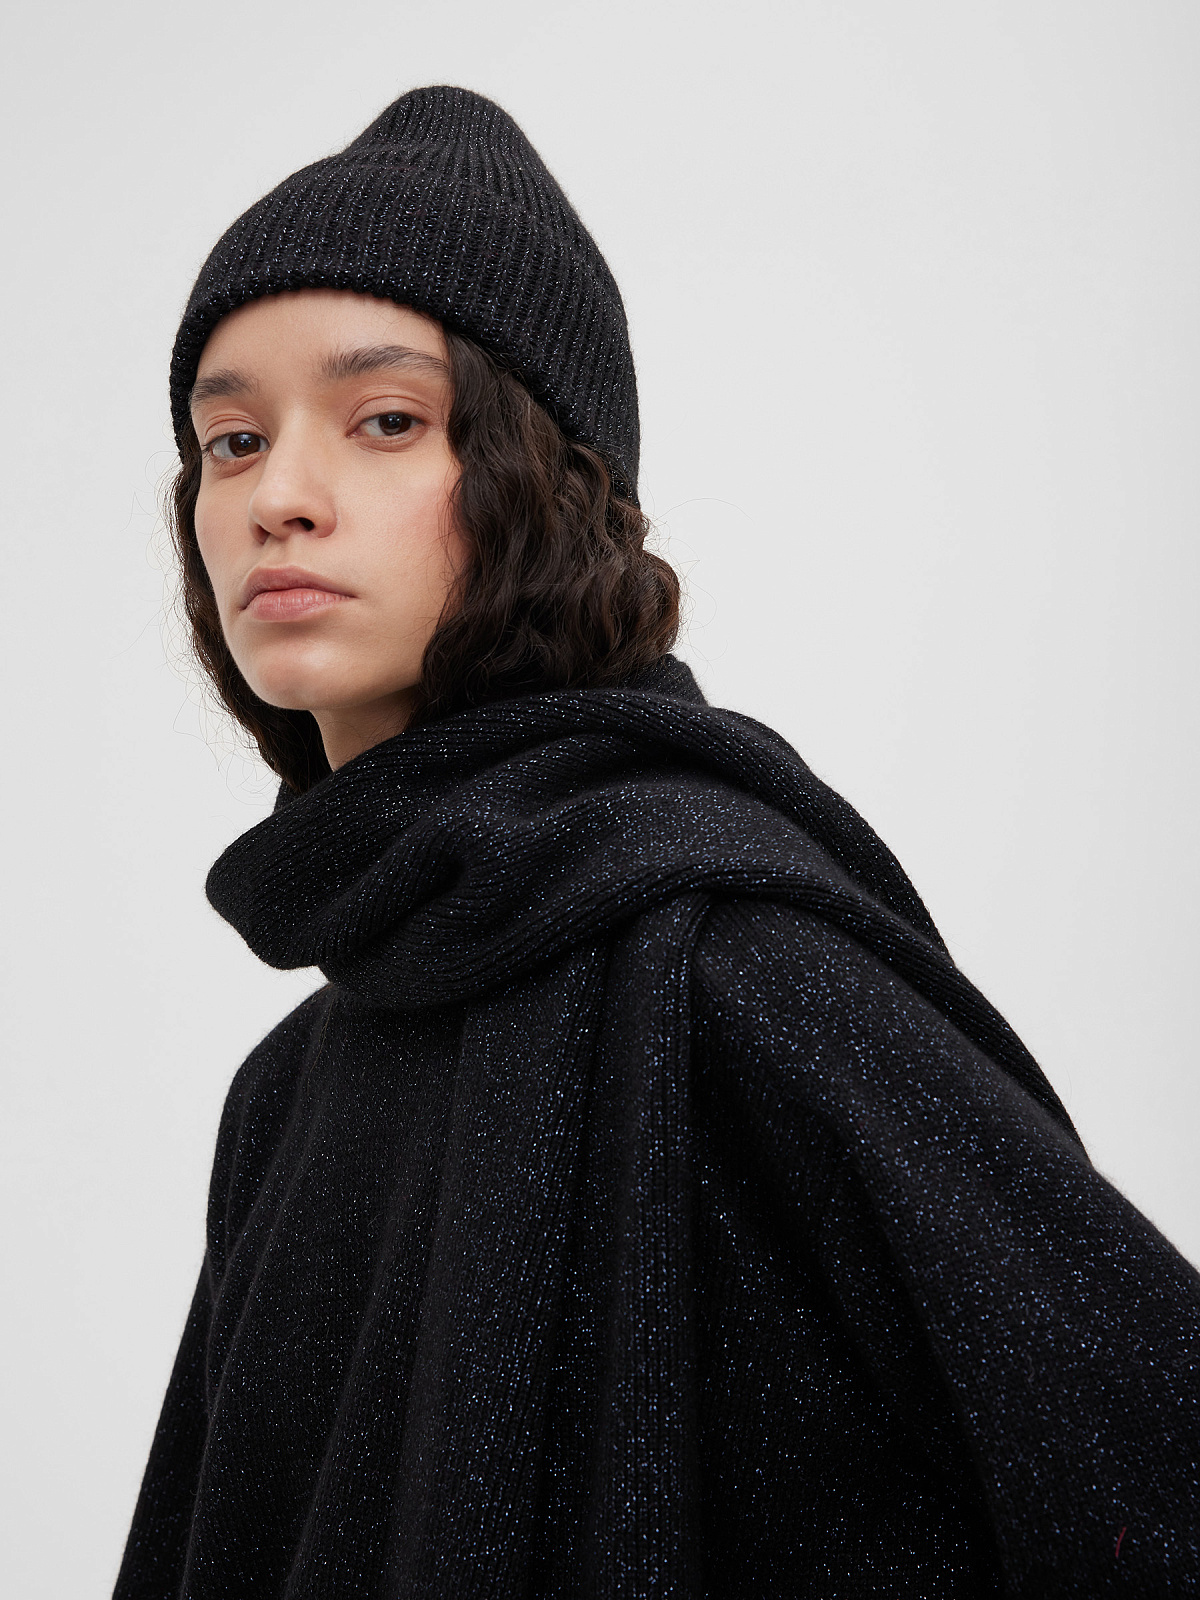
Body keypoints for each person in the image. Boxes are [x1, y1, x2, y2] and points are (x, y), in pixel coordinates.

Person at [114, 85, 1199, 1599]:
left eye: (387, 421)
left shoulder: (735, 967)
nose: (276, 498)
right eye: (231, 441)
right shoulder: (285, 1099)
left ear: (543, 479)